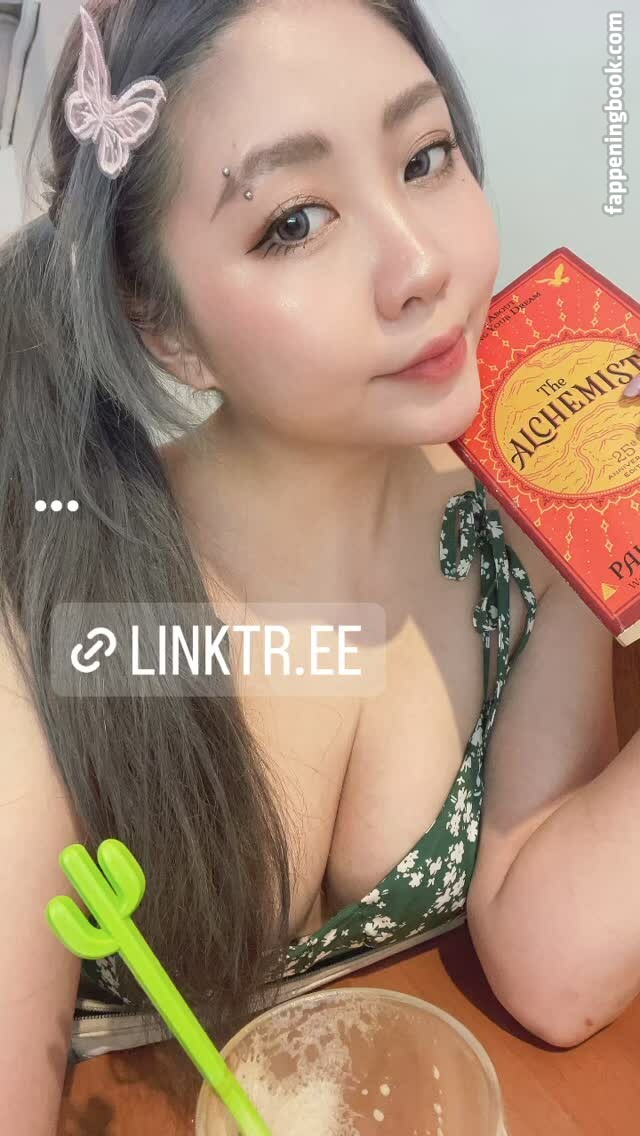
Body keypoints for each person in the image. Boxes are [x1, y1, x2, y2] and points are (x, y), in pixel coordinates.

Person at [0, 1, 631, 1131]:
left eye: (425, 156)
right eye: (293, 222)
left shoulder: (527, 525)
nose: (420, 266)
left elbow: (554, 966)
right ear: (163, 325)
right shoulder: (61, 605)